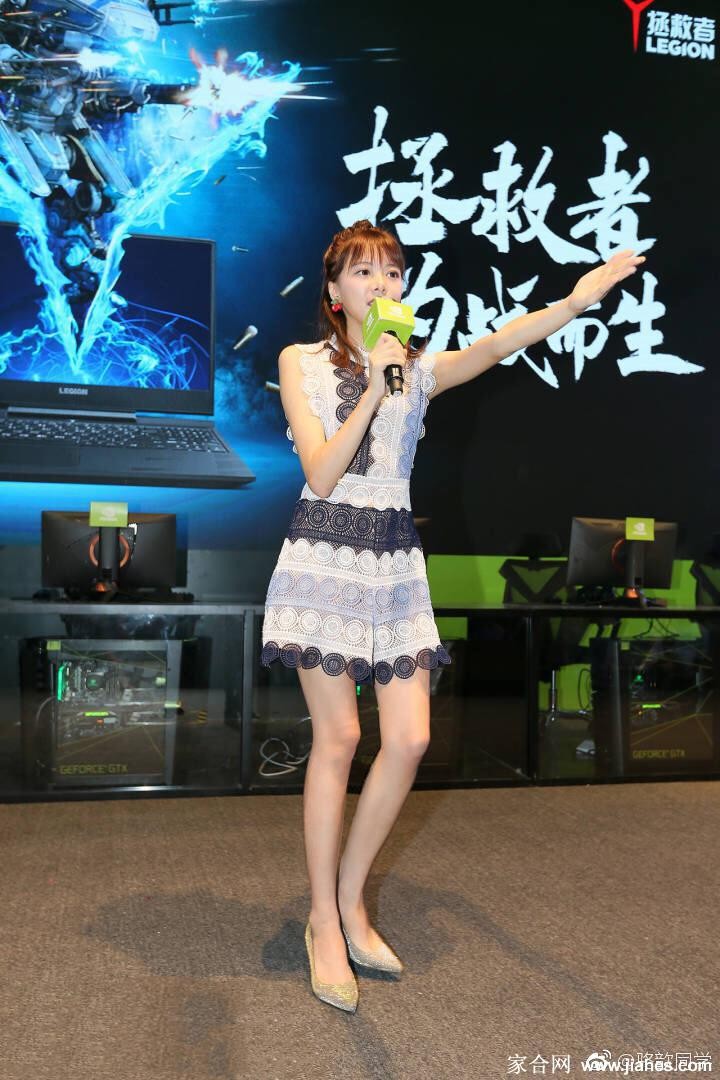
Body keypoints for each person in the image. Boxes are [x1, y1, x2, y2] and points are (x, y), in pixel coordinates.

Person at [261, 219, 645, 1012]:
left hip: (395, 563)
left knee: (410, 738)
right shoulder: (301, 362)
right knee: (340, 738)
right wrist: (375, 384)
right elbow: (323, 474)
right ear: (333, 291)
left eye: (392, 272)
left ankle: (351, 899)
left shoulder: (420, 370)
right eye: (364, 272)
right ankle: (323, 922)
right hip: (324, 556)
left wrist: (577, 300)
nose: (381, 284)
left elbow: (501, 344)